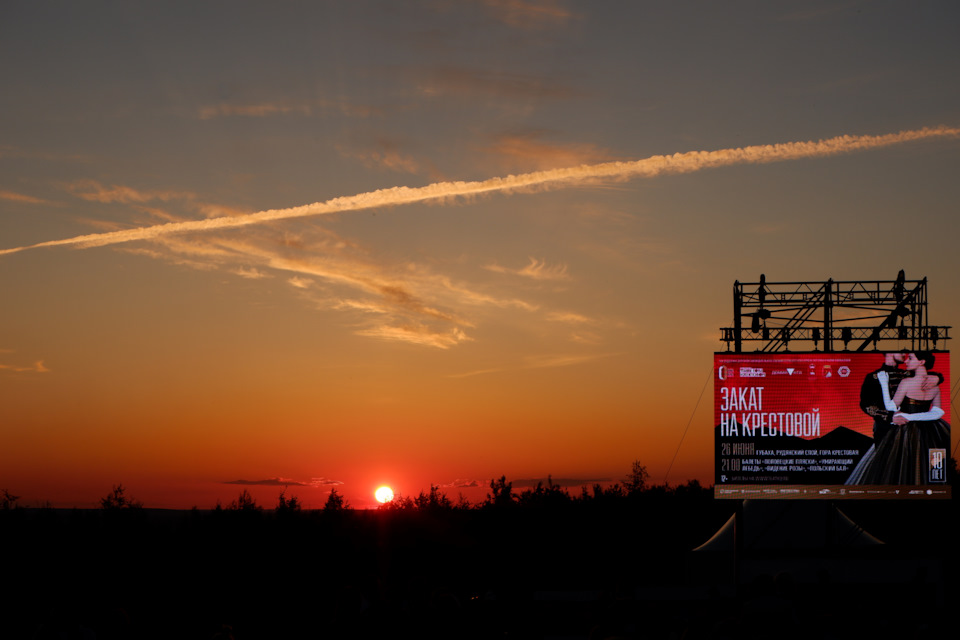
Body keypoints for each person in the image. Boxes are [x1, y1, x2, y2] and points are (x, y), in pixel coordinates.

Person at [846, 351, 950, 485]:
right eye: (900, 351)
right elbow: (866, 404)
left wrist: (938, 377)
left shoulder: (907, 374)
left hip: (912, 427)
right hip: (886, 429)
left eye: (908, 356)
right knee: (888, 470)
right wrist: (889, 417)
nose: (904, 355)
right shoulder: (873, 377)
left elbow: (924, 373)